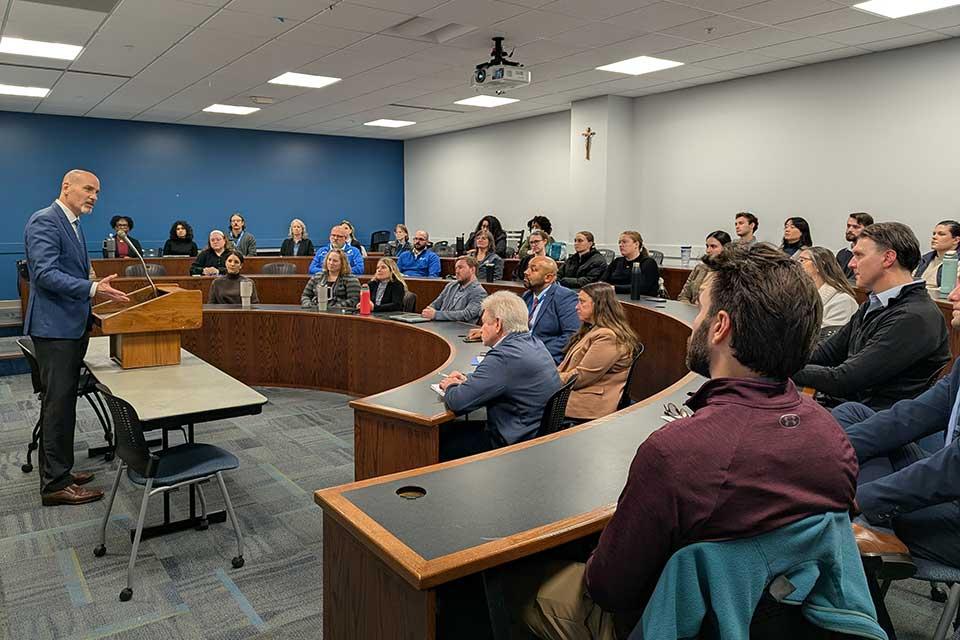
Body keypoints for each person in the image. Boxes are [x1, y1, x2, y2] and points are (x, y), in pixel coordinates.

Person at [507, 244, 858, 638]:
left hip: (670, 621)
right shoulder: (833, 438)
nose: (694, 323)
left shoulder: (674, 453)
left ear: (720, 326)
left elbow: (610, 587)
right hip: (779, 616)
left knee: (519, 587)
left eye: (701, 310)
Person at [834, 280, 960, 572]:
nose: (952, 295)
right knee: (854, 414)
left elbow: (954, 468)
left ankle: (869, 529)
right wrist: (824, 453)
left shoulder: (914, 316)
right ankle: (878, 531)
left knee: (832, 515)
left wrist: (860, 499)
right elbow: (909, 417)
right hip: (946, 486)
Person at [24, 169, 130, 506]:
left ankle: (62, 471)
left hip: (70, 326)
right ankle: (55, 484)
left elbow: (68, 270)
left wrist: (91, 279)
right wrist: (93, 288)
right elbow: (43, 274)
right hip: (55, 329)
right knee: (57, 406)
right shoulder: (45, 220)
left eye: (97, 192)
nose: (94, 197)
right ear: (66, 187)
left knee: (64, 404)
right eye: (88, 189)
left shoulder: (72, 223)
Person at [793, 222, 950, 410]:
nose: (851, 264)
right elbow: (826, 353)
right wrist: (775, 357)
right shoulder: (875, 303)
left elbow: (845, 380)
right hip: (852, 408)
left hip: (874, 420)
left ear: (888, 258)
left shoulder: (914, 317)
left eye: (859, 255)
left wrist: (775, 367)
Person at [438, 291, 561, 460]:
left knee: (438, 442)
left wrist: (450, 385)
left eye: (484, 323)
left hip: (511, 444)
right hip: (532, 433)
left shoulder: (504, 357)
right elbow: (505, 379)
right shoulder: (534, 343)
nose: (481, 329)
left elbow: (459, 402)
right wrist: (470, 380)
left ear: (497, 324)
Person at [558, 283, 638, 422]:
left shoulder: (608, 336)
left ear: (599, 305)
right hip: (573, 393)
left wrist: (546, 379)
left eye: (582, 302)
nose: (576, 307)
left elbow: (580, 378)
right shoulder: (593, 328)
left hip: (586, 404)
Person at [522, 256, 580, 364]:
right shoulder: (527, 296)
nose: (526, 272)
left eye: (533, 269)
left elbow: (572, 335)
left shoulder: (564, 297)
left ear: (548, 278)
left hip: (547, 357)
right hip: (522, 353)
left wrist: (535, 351)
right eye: (527, 268)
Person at [796, 247, 859, 328]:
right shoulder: (801, 293)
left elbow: (828, 337)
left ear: (819, 265)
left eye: (802, 260)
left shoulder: (842, 301)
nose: (796, 264)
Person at [421, 255, 487, 322]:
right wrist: (429, 310)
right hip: (441, 325)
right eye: (456, 268)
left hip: (460, 329)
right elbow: (436, 304)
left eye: (460, 268)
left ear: (472, 270)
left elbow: (467, 314)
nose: (457, 272)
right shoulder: (451, 286)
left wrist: (436, 315)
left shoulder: (479, 292)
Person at [678, 230, 731, 305]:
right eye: (707, 246)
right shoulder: (700, 268)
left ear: (725, 248)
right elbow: (683, 296)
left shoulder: (730, 273)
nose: (708, 250)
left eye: (713, 246)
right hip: (693, 311)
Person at [602, 231, 659, 296]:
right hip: (615, 297)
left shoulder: (648, 263)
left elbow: (642, 287)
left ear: (636, 244)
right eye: (619, 242)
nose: (620, 245)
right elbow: (603, 281)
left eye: (624, 242)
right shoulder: (617, 261)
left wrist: (614, 288)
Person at [913, 219, 960, 288]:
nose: (934, 237)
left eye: (941, 234)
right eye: (934, 234)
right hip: (918, 295)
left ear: (956, 240)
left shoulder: (957, 262)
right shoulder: (924, 259)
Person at [836, 212, 874, 280]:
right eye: (848, 226)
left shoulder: (871, 255)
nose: (850, 230)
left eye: (855, 227)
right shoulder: (842, 253)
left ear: (868, 229)